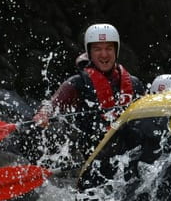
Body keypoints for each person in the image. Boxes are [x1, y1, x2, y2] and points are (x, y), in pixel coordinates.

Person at [33, 23, 147, 161]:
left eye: (109, 48)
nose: (104, 54)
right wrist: (43, 113)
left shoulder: (134, 83)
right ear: (89, 52)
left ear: (116, 51)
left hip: (130, 158)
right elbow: (52, 104)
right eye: (97, 49)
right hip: (95, 160)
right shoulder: (78, 82)